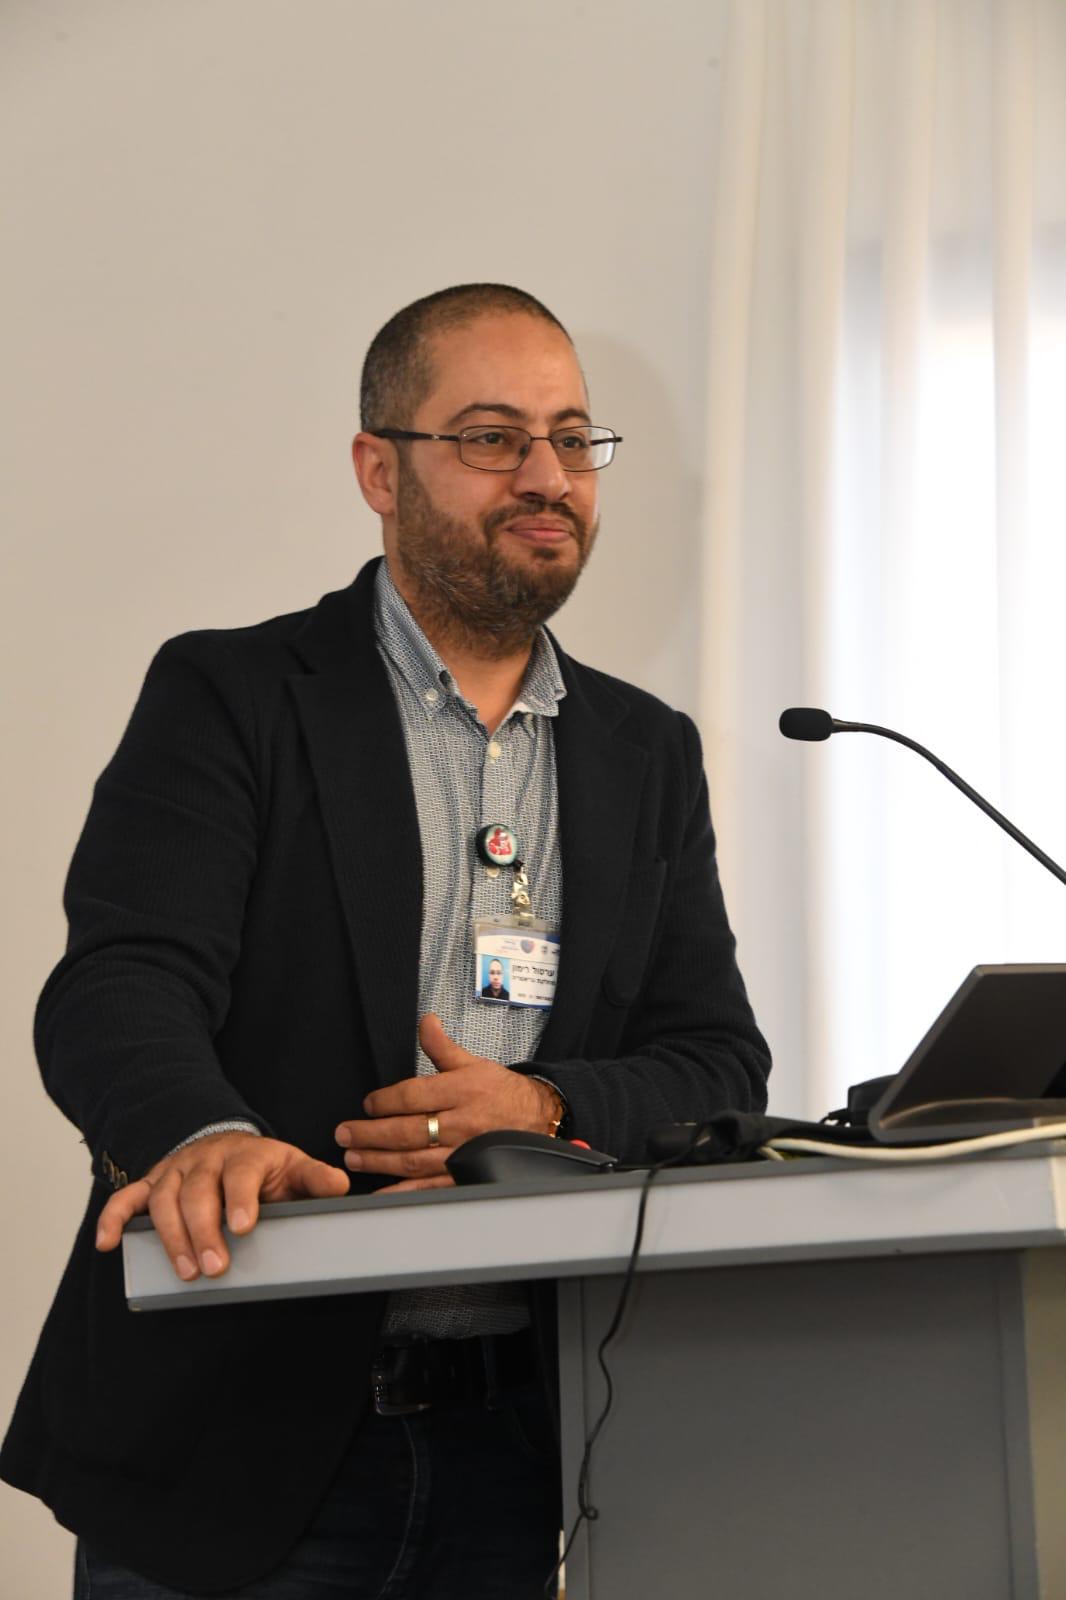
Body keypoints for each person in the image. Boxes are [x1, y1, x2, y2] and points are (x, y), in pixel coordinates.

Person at [1, 284, 771, 1598]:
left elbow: (713, 1063)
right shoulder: (234, 695)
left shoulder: (645, 752)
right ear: (379, 469)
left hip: (515, 1450)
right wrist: (205, 1136)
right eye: (491, 437)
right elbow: (122, 983)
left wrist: (540, 1106)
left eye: (572, 439)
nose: (547, 476)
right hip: (235, 1447)